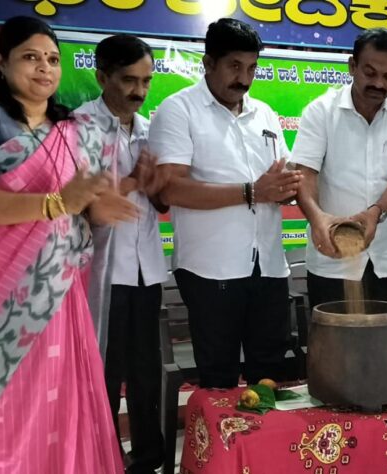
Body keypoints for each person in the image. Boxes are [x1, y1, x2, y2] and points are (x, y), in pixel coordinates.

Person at [0, 16, 136, 473]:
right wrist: (55, 204)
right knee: (15, 418)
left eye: (52, 59)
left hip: (61, 295)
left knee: (67, 406)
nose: (44, 68)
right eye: (30, 57)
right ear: (1, 62)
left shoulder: (68, 129)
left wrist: (99, 208)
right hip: (1, 303)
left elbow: (76, 209)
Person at [149, 18, 300, 388]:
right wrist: (252, 192)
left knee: (270, 376)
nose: (244, 78)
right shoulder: (178, 110)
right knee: (219, 379)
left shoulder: (264, 113)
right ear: (208, 63)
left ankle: (265, 432)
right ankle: (222, 431)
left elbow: (280, 178)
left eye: (251, 68)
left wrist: (288, 187)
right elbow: (170, 189)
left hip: (268, 265)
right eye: (234, 66)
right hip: (210, 270)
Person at [75, 34, 169, 473]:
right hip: (102, 271)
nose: (139, 91)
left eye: (146, 81)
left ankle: (148, 457)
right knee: (105, 373)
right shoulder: (79, 127)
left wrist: (156, 186)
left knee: (146, 370)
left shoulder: (149, 129)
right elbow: (81, 203)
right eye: (129, 80)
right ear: (101, 76)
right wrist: (134, 182)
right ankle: (106, 458)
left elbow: (161, 202)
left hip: (147, 268)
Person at [291, 28, 387, 309]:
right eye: (370, 73)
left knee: (386, 334)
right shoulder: (320, 112)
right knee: (333, 336)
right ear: (352, 66)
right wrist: (317, 218)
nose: (378, 83)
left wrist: (375, 212)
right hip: (331, 257)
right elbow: (305, 175)